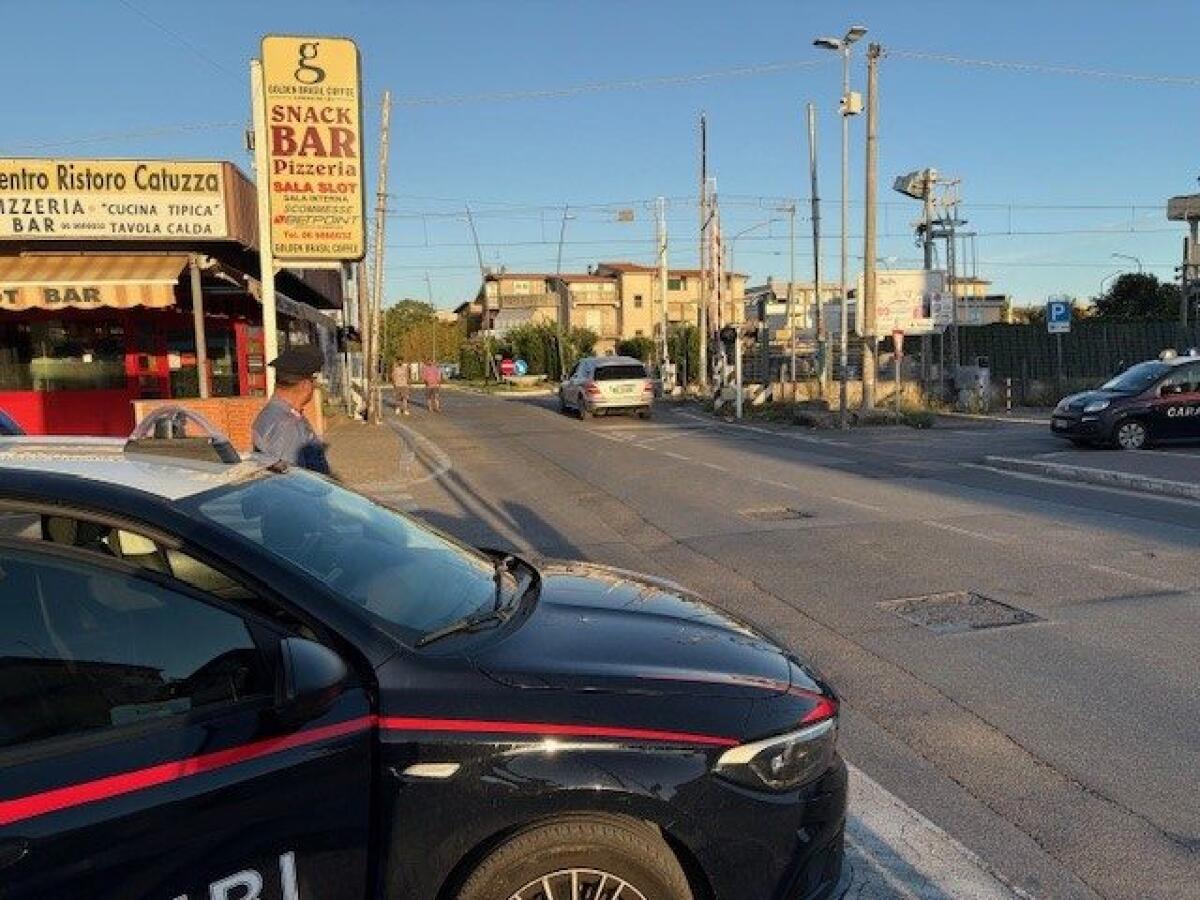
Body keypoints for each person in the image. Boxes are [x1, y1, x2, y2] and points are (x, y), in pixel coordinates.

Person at [251, 346, 331, 474]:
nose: (315, 386)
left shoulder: (272, 413)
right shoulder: (287, 424)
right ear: (305, 385)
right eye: (313, 381)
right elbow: (290, 480)